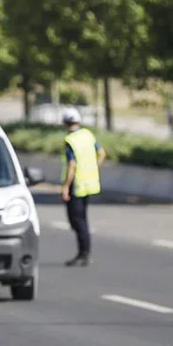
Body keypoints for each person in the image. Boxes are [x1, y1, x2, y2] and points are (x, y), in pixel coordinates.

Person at [60, 108, 105, 267]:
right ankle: (84, 252)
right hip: (90, 183)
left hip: (77, 184)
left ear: (65, 123)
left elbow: (72, 164)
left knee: (78, 220)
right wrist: (94, 169)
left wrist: (66, 187)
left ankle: (83, 253)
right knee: (82, 219)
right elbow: (102, 153)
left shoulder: (70, 140)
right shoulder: (87, 135)